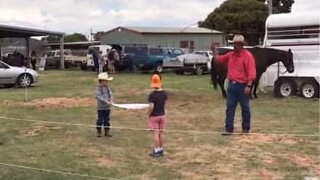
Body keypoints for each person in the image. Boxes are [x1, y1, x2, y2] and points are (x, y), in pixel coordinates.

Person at [211, 34, 256, 135]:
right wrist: (214, 52)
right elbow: (218, 59)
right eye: (233, 44)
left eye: (236, 44)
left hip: (243, 85)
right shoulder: (230, 55)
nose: (234, 46)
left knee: (245, 108)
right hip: (231, 85)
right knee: (230, 107)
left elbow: (251, 72)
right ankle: (229, 129)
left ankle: (245, 129)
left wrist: (249, 86)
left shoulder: (248, 56)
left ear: (241, 45)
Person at [147, 73, 168, 157]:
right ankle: (161, 149)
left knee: (155, 133)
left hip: (154, 116)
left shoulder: (152, 95)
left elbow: (151, 106)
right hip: (162, 115)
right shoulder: (164, 93)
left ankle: (156, 150)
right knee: (161, 133)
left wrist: (148, 114)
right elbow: (164, 103)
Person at [95, 72, 114, 137]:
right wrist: (106, 101)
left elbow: (111, 94)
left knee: (107, 120)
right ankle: (99, 131)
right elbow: (98, 96)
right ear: (101, 81)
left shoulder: (108, 87)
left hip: (107, 108)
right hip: (100, 108)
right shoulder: (98, 88)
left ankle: (107, 132)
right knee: (100, 120)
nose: (107, 82)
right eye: (105, 81)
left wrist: (111, 100)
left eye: (107, 81)